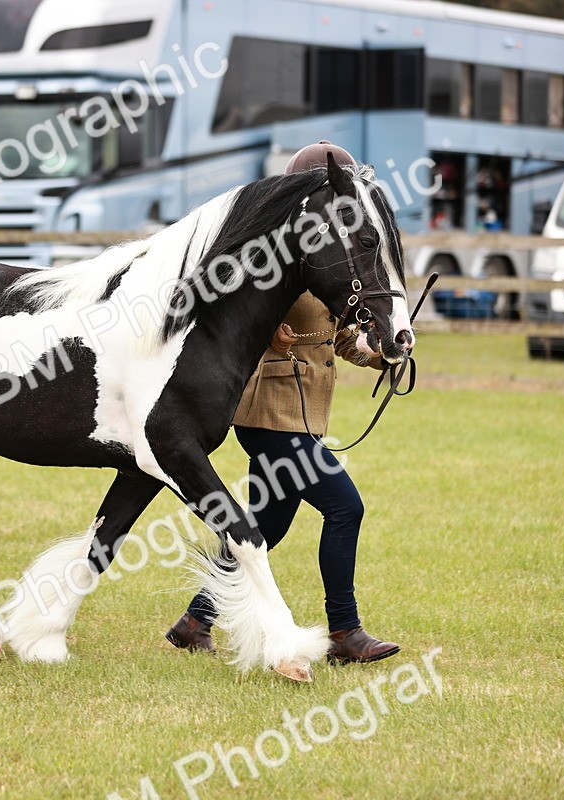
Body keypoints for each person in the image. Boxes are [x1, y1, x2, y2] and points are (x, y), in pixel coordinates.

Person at [165, 141, 400, 680]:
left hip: (305, 412)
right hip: (268, 411)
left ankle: (195, 620)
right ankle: (345, 631)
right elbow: (232, 309)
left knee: (265, 525)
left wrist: (375, 353)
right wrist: (269, 330)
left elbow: (338, 338)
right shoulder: (271, 248)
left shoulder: (332, 255)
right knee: (346, 509)